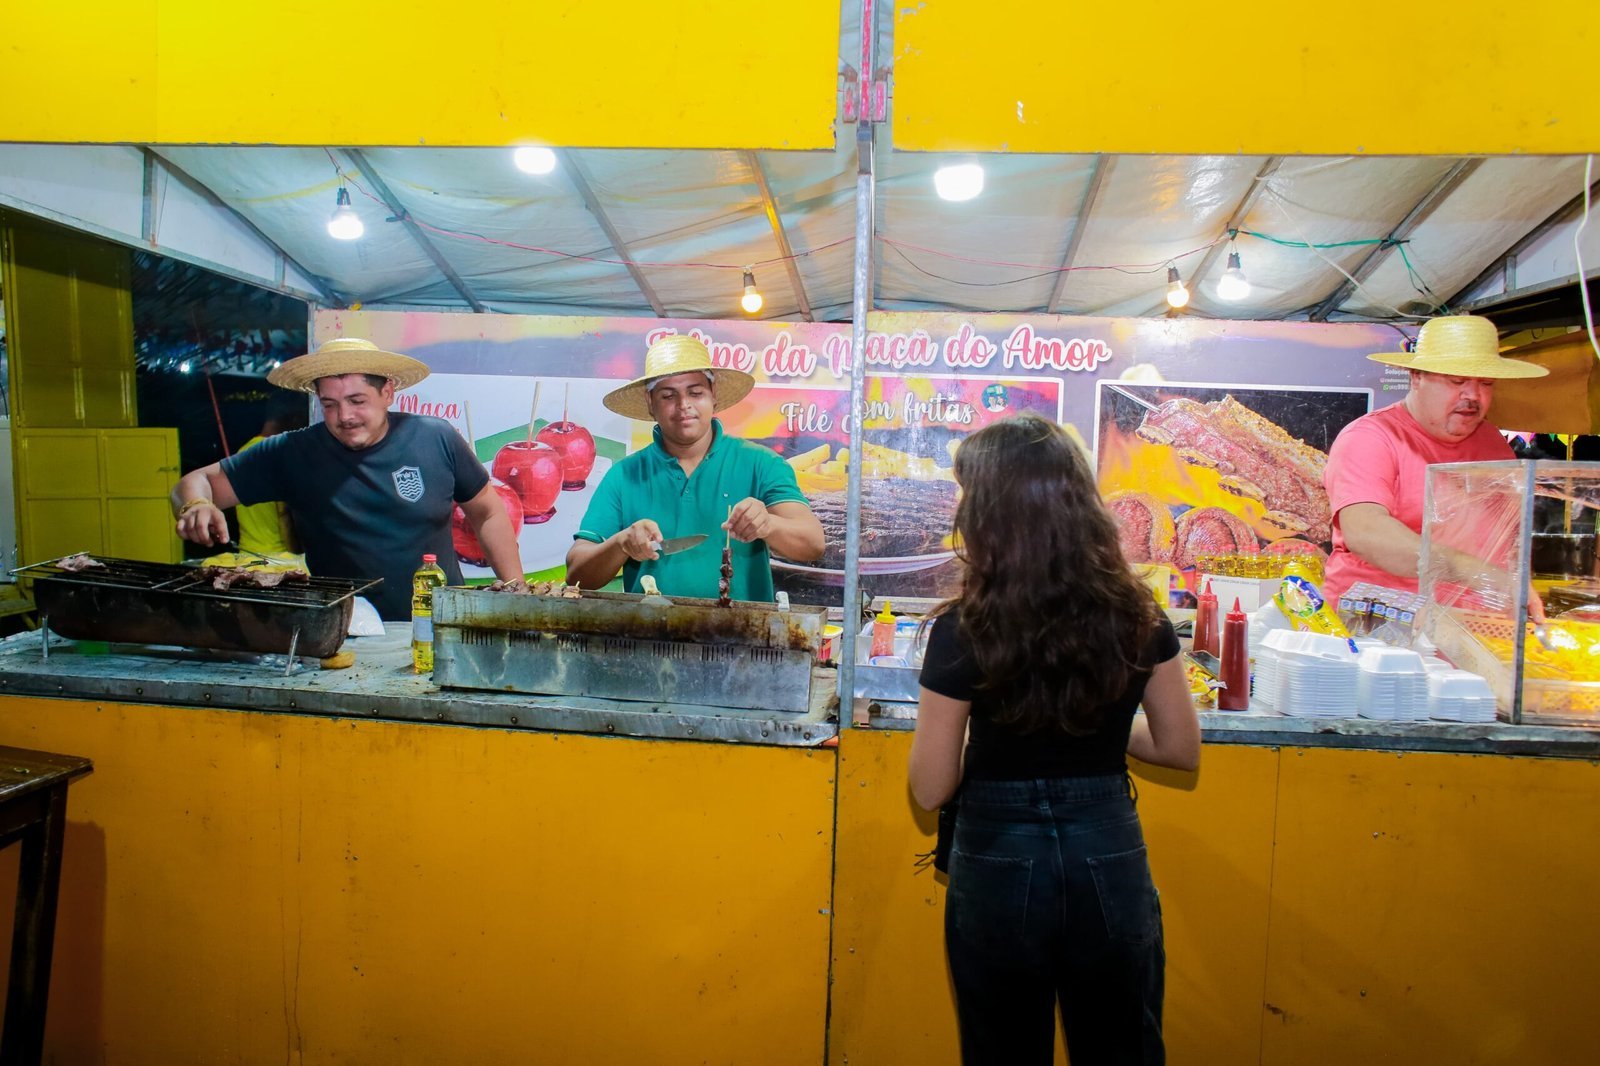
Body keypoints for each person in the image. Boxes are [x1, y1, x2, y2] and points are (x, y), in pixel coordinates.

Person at [909, 413, 1200, 1065]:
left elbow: (929, 789)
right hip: (1107, 845)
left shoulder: (963, 628)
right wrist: (1095, 722)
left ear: (985, 512)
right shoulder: (1138, 613)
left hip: (999, 856)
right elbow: (1180, 749)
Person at [170, 337, 527, 620]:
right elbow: (196, 482)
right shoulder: (292, 451)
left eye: (357, 401)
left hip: (440, 622)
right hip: (342, 631)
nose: (345, 416)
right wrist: (196, 504)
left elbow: (488, 512)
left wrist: (516, 593)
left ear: (387, 392)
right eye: (330, 404)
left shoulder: (436, 437)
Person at [565, 334, 824, 600]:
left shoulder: (762, 463)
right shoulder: (624, 475)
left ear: (714, 396)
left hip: (745, 627)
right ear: (650, 403)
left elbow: (813, 543)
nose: (683, 405)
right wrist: (621, 543)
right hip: (647, 626)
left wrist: (768, 524)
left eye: (695, 392)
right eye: (668, 396)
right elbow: (576, 574)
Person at [1323, 315, 1548, 606]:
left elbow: (1505, 532)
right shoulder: (1370, 437)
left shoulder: (1491, 440)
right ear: (1417, 376)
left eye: (1486, 383)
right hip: (1380, 620)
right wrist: (1469, 570)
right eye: (1457, 381)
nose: (1473, 395)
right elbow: (1365, 532)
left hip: (1472, 620)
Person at [233, 401, 308, 558]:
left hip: (247, 554)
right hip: (278, 559)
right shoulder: (279, 454)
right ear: (294, 419)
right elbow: (286, 515)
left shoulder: (243, 451)